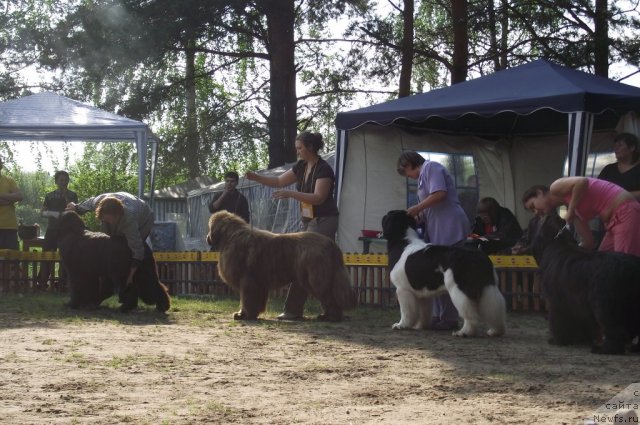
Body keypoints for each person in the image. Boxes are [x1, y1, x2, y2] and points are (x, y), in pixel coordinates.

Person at [246, 131, 339, 321]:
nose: (297, 152)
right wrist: (256, 177)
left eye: (300, 148)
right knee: (308, 266)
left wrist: (291, 194)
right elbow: (279, 181)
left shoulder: (324, 170)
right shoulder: (301, 166)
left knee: (307, 264)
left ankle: (299, 310)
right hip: (309, 221)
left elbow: (319, 198)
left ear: (310, 148)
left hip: (324, 221)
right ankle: (321, 310)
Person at [396, 151, 470, 330]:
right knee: (438, 274)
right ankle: (439, 316)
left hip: (450, 225)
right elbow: (431, 206)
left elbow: (439, 194)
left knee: (449, 274)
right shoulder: (423, 178)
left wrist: (418, 207)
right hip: (437, 228)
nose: (408, 176)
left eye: (406, 172)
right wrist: (419, 215)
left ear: (410, 164)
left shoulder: (431, 167)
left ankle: (450, 318)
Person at [66, 192, 155, 309]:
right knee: (110, 247)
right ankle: (106, 289)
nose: (110, 223)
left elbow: (137, 250)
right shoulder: (98, 202)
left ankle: (128, 297)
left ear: (118, 215)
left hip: (144, 219)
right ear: (101, 213)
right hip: (121, 208)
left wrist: (130, 275)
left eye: (111, 220)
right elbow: (83, 205)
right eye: (106, 220)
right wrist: (74, 207)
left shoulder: (129, 221)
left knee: (126, 252)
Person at [522, 178, 640, 257]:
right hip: (613, 222)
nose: (536, 212)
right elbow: (588, 242)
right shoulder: (572, 210)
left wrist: (572, 209)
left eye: (533, 206)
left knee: (625, 263)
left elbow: (582, 182)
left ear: (539, 193)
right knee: (604, 259)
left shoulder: (555, 187)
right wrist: (566, 250)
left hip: (625, 211)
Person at [38, 170, 78, 288]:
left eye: (66, 180)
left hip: (67, 231)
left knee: (66, 257)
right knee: (47, 256)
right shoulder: (49, 195)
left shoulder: (72, 195)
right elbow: (42, 213)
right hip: (52, 230)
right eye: (61, 180)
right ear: (56, 181)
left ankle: (63, 284)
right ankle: (42, 283)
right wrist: (54, 214)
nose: (63, 183)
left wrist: (66, 198)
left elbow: (76, 211)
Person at [598, 132, 640, 200]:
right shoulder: (608, 169)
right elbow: (598, 188)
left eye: (620, 145)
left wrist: (621, 195)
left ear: (632, 148)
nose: (616, 148)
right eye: (615, 146)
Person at [0, 157, 23, 250]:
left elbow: (19, 196)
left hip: (10, 226)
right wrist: (10, 199)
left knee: (12, 258)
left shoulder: (9, 180)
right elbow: (15, 197)